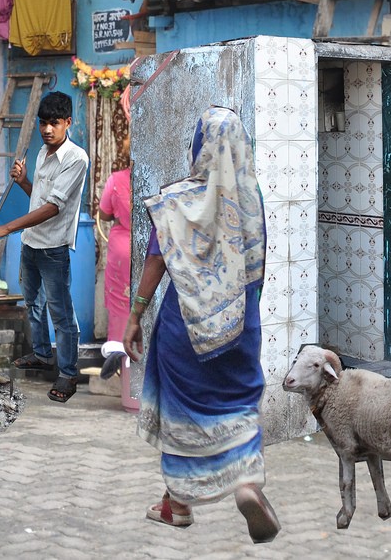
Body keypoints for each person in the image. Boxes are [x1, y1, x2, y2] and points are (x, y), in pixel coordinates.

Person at [125, 104, 280, 542]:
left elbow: (156, 259)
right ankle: (246, 483)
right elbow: (257, 263)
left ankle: (177, 504)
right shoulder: (251, 197)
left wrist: (135, 316)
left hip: (185, 329)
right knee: (239, 404)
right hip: (240, 326)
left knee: (181, 412)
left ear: (199, 146)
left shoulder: (179, 201)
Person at [0, 91, 89, 404]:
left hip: (53, 247)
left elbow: (53, 208)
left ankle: (68, 374)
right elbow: (39, 198)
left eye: (54, 123)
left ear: (68, 122)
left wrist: (6, 228)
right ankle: (42, 355)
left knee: (61, 313)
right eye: (43, 123)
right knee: (33, 303)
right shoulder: (42, 153)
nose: (47, 129)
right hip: (30, 243)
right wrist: (24, 181)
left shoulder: (76, 159)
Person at [96, 143, 134, 381]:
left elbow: (104, 213)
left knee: (121, 298)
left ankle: (119, 353)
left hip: (122, 246)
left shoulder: (117, 179)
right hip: (150, 245)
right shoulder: (156, 178)